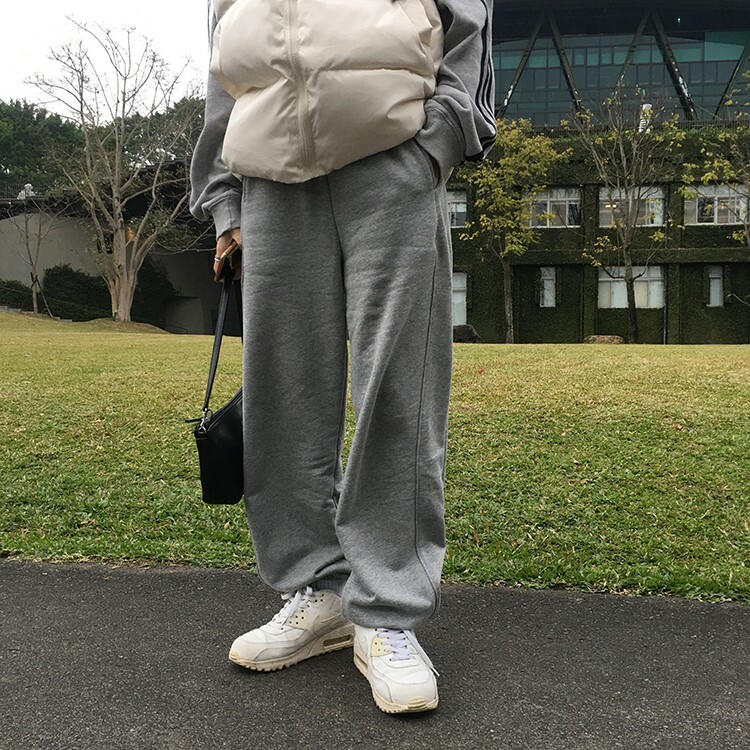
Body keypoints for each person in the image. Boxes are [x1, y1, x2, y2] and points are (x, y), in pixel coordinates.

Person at [190, 0, 496, 714]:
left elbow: (468, 22)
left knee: (399, 389)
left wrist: (440, 138)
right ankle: (319, 588)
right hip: (269, 178)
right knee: (281, 395)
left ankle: (387, 609)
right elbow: (226, 64)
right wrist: (225, 202)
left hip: (392, 157)